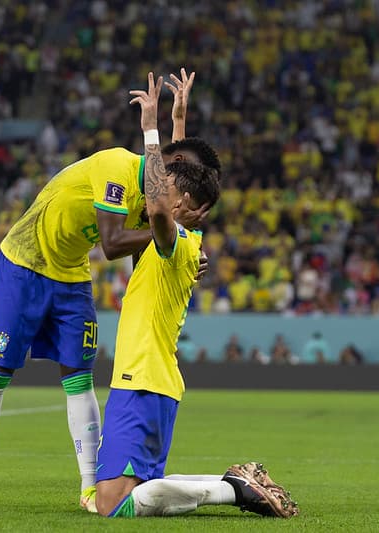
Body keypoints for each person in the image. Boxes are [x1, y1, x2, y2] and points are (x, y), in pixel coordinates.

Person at [0, 68, 220, 512]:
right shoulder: (116, 168)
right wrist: (170, 232)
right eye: (180, 201)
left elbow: (170, 191)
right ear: (165, 180)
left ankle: (90, 486)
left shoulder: (156, 198)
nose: (181, 209)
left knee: (78, 377)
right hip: (24, 262)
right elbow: (114, 245)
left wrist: (181, 251)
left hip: (72, 273)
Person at [95, 73, 298, 520]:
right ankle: (239, 484)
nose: (154, 188)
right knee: (140, 489)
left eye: (166, 187)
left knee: (111, 505)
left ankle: (234, 492)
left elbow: (161, 203)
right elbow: (177, 182)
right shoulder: (184, 241)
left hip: (141, 380)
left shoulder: (171, 239)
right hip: (155, 381)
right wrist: (178, 121)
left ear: (183, 202)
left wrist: (150, 128)